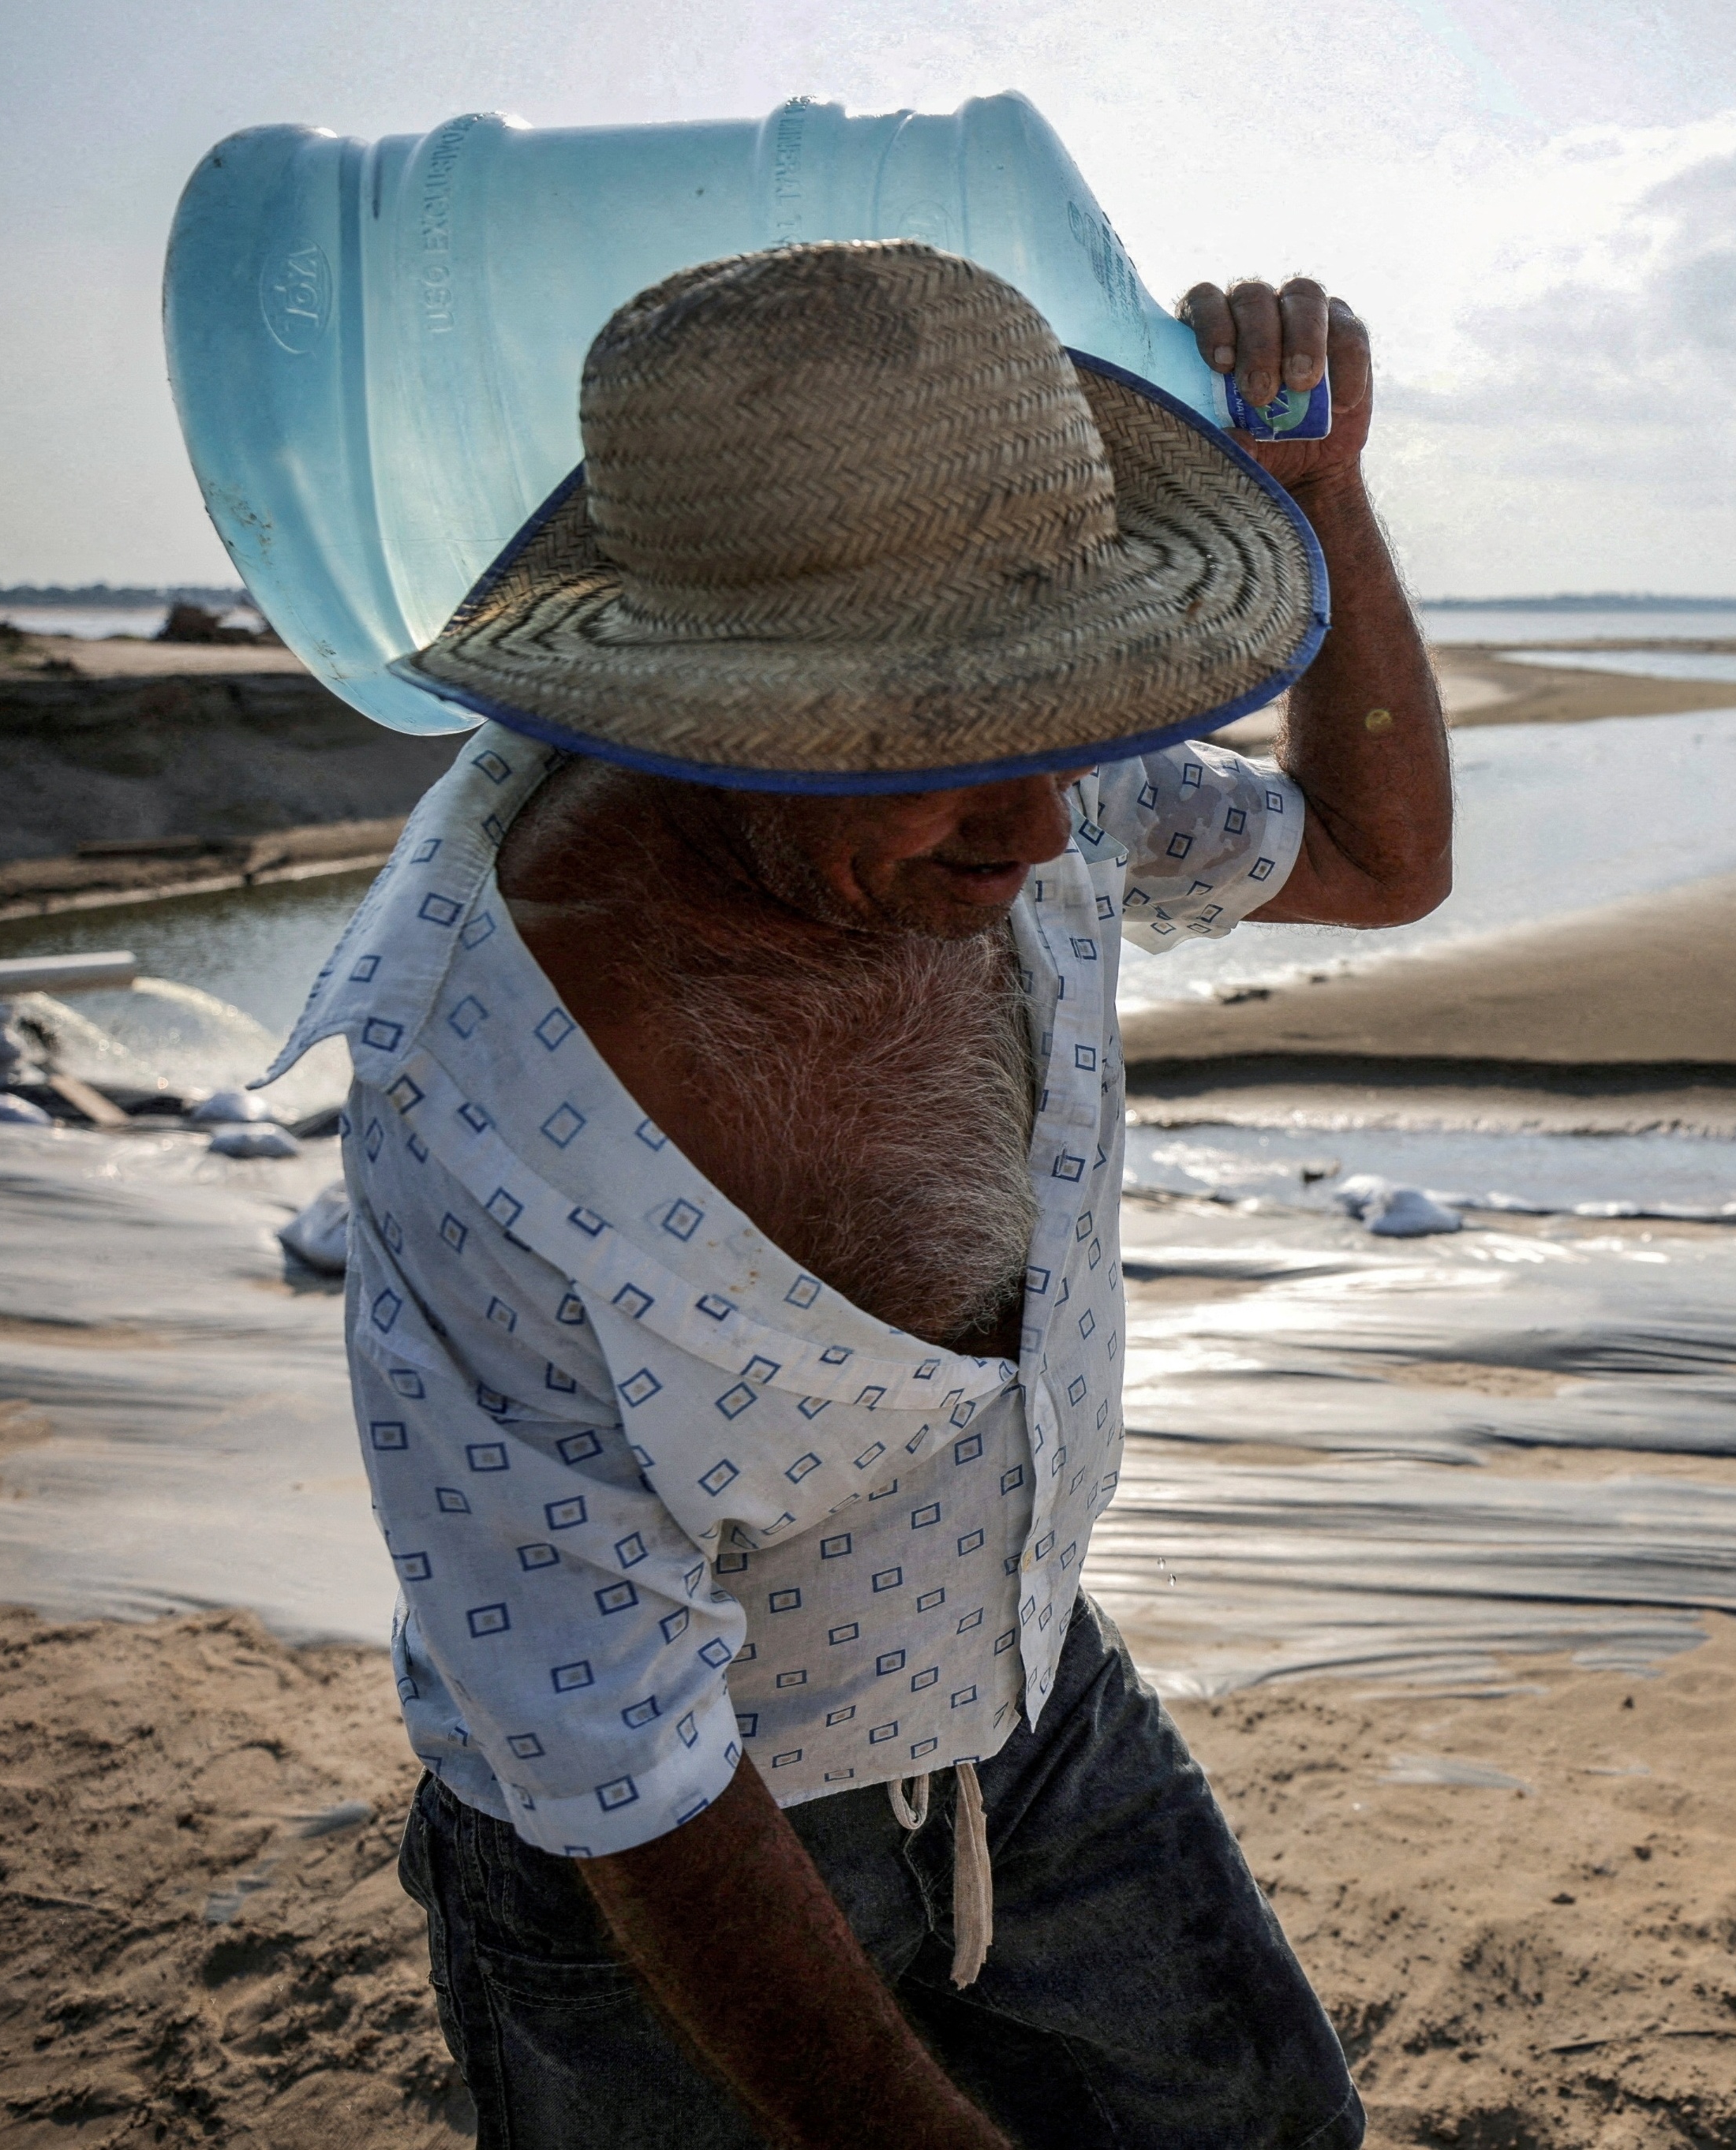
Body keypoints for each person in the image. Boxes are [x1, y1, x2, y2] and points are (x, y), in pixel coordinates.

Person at [262, 240, 1449, 2148]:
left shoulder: (1014, 774)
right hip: (658, 1849)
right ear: (707, 709)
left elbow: (1379, 861)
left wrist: (1320, 502)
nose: (1047, 826)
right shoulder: (487, 1088)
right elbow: (613, 1749)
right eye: (952, 755)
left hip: (1034, 1696)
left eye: (1060, 728)